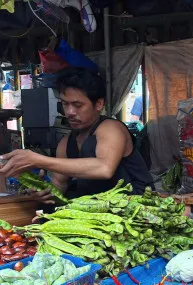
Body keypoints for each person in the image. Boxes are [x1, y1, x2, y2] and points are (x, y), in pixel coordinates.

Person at [0, 67, 154, 203]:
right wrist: (41, 190)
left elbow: (104, 168)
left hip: (136, 206)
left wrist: (38, 160)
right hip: (96, 209)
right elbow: (59, 185)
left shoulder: (111, 128)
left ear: (99, 104)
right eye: (65, 104)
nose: (70, 112)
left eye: (77, 105)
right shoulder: (66, 143)